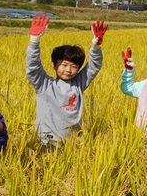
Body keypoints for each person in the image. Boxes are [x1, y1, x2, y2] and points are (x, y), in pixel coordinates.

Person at [26, 14, 106, 148]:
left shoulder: (78, 85)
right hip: (47, 143)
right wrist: (34, 41)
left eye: (74, 66)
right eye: (64, 65)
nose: (68, 70)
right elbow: (33, 67)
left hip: (73, 143)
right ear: (54, 65)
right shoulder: (45, 85)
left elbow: (94, 66)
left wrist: (96, 47)